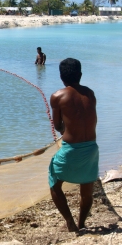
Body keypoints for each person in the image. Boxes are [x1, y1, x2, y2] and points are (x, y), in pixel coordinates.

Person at [48, 58, 99, 232]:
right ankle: (82, 223)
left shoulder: (57, 96)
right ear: (80, 75)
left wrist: (63, 126)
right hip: (92, 148)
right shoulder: (90, 94)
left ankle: (70, 222)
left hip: (71, 149)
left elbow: (58, 127)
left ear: (61, 77)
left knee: (54, 181)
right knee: (87, 189)